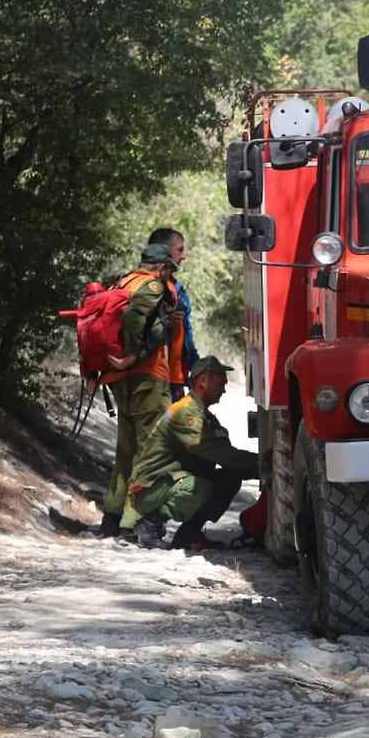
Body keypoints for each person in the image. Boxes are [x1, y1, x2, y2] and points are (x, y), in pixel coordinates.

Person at [119, 355, 259, 550]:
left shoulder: (201, 413)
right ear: (203, 381)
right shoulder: (186, 413)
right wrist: (262, 464)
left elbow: (226, 454)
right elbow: (221, 454)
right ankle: (148, 524)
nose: (224, 390)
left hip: (167, 482)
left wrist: (255, 467)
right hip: (150, 487)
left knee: (229, 476)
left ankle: (189, 533)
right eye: (220, 384)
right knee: (199, 488)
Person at [96, 243, 180, 538]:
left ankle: (112, 519)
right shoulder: (152, 286)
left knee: (127, 451)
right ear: (160, 267)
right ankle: (143, 524)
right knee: (153, 451)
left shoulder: (122, 281)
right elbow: (134, 319)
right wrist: (133, 354)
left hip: (122, 381)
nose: (170, 274)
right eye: (169, 268)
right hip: (148, 377)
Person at [147, 228, 198, 399]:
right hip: (150, 382)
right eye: (180, 250)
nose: (183, 256)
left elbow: (186, 335)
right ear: (164, 252)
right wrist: (164, 322)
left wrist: (196, 368)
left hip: (173, 382)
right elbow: (132, 329)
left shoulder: (177, 289)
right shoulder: (143, 288)